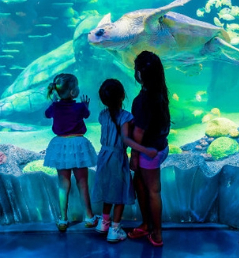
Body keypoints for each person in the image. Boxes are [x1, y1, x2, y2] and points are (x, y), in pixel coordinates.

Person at [91, 79, 157, 243]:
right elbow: (126, 140)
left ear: (103, 100)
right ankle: (114, 229)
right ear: (123, 95)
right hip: (117, 158)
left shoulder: (102, 115)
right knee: (119, 194)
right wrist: (145, 149)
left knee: (108, 191)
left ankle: (103, 223)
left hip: (103, 157)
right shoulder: (126, 117)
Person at [43, 73, 99, 232]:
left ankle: (62, 219)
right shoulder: (80, 106)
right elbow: (86, 115)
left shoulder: (54, 107)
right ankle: (89, 216)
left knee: (63, 185)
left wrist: (53, 102)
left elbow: (47, 115)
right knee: (82, 183)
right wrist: (86, 106)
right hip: (77, 144)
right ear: (74, 92)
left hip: (60, 145)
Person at [127, 51, 170, 247]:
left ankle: (157, 234)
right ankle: (147, 224)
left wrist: (134, 155)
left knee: (153, 190)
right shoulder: (160, 92)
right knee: (140, 183)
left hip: (149, 152)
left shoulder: (143, 100)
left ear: (141, 74)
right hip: (161, 146)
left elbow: (139, 132)